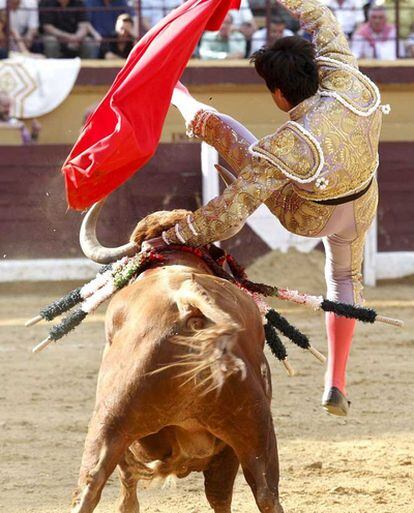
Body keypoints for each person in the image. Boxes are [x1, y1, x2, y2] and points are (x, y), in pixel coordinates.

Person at [151, 0, 384, 416]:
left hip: (310, 214)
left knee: (235, 139)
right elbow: (322, 16)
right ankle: (336, 380)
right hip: (362, 201)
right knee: (345, 276)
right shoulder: (350, 78)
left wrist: (173, 235)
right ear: (316, 68)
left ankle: (179, 97)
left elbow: (229, 213)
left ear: (279, 94)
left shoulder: (288, 144)